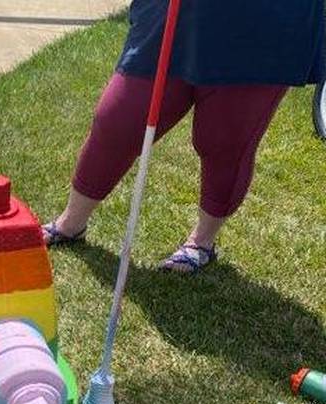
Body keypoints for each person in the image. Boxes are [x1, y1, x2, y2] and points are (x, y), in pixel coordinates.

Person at [43, 0, 326, 273]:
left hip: (262, 22)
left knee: (223, 140)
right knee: (119, 120)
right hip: (175, 13)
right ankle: (71, 223)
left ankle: (201, 242)